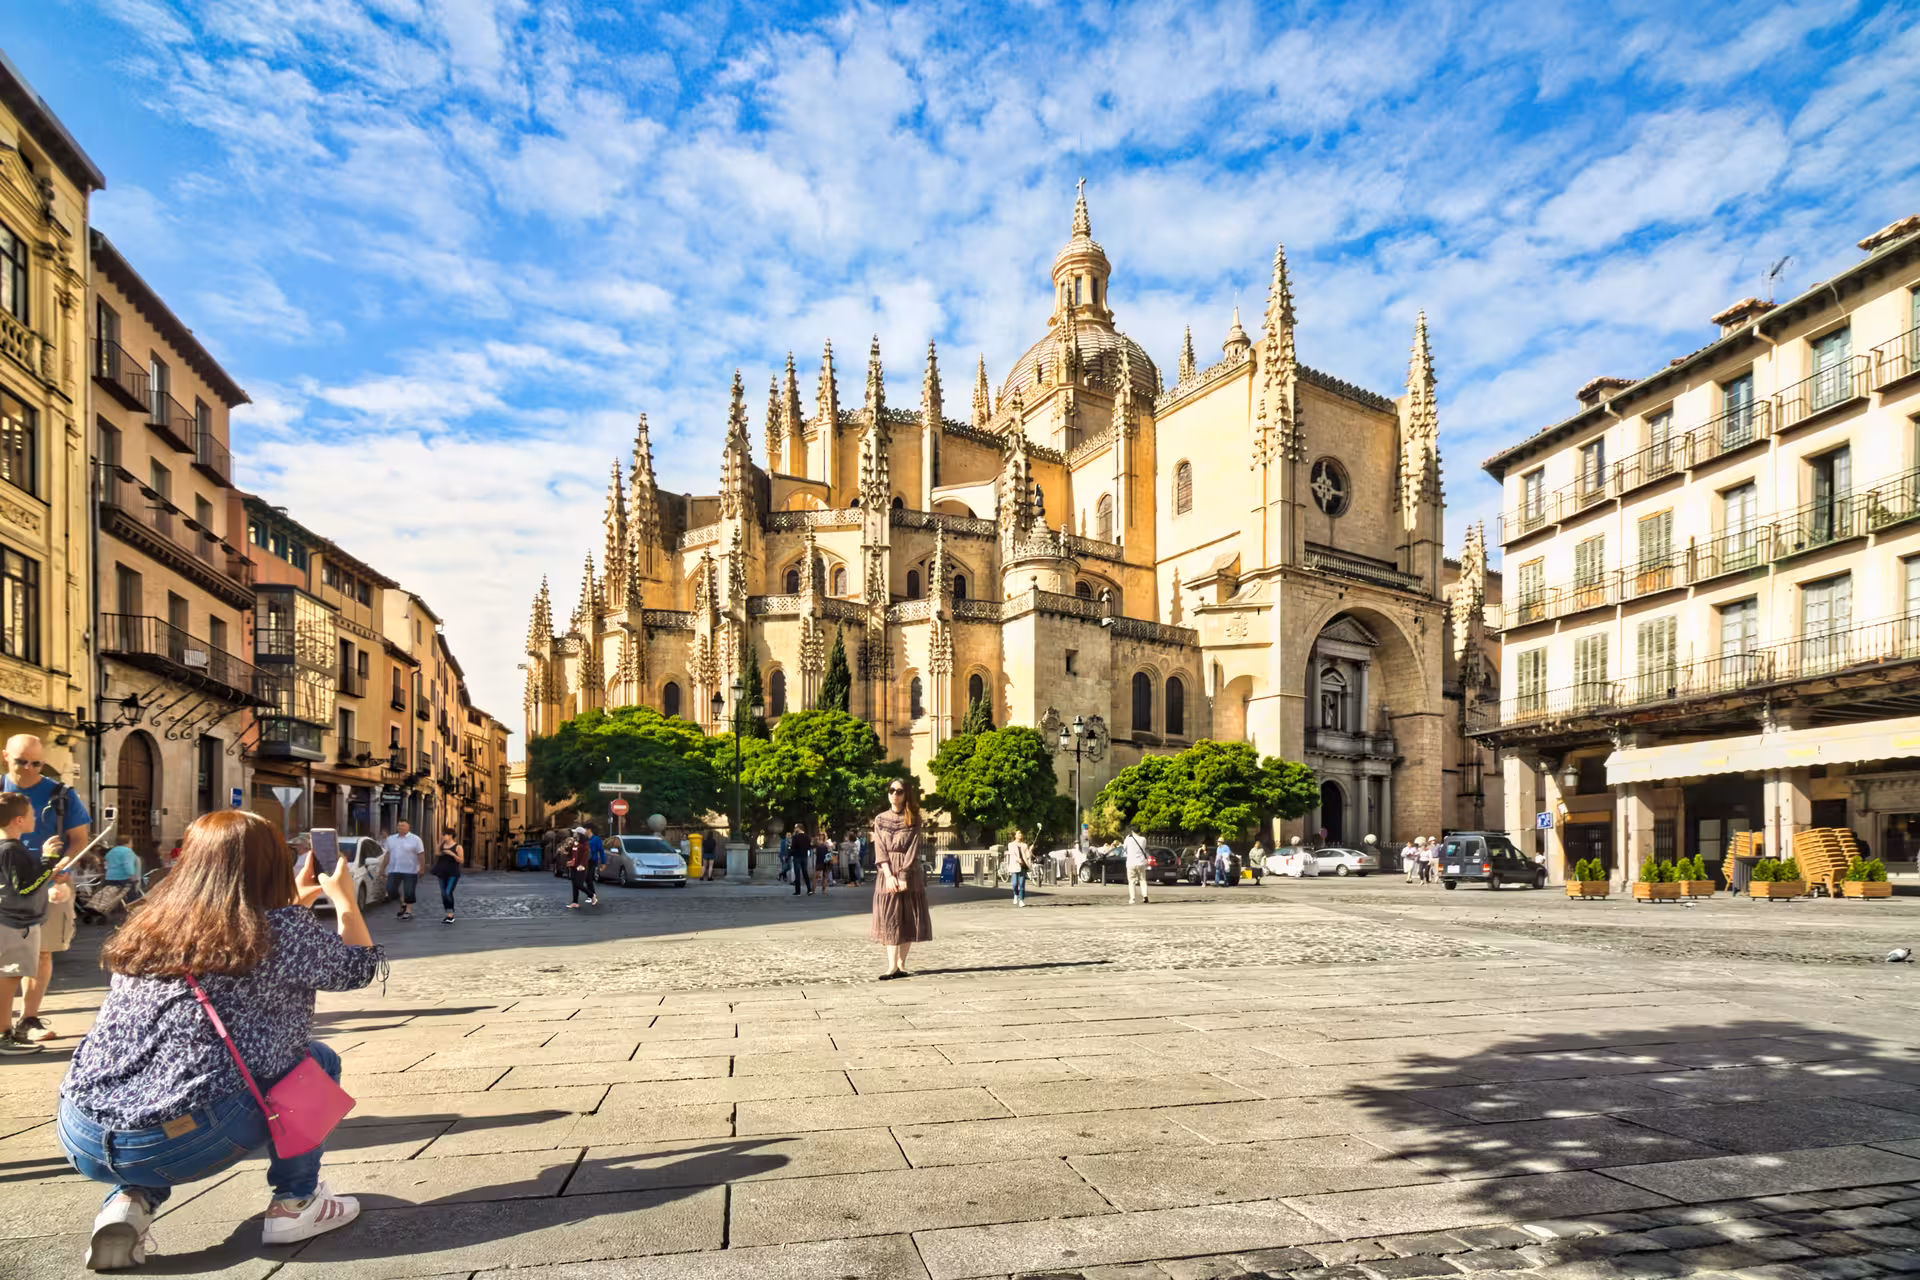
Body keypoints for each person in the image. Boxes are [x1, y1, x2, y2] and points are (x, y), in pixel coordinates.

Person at [58, 810, 383, 1269]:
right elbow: (358, 967)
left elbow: (239, 942)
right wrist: (345, 901)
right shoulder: (282, 929)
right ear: (272, 864)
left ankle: (129, 1202)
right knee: (317, 1061)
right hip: (187, 1141)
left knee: (162, 1089)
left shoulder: (151, 920)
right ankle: (296, 1203)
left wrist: (296, 905)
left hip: (83, 1131)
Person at [4, 734, 90, 1045]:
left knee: (40, 954)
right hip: (4, 885)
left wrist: (62, 867)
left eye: (36, 763)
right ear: (5, 756)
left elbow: (79, 839)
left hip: (50, 882)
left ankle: (29, 1019)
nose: (28, 768)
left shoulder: (61, 795)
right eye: (20, 761)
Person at [870, 779, 932, 979]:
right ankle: (891, 966)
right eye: (891, 790)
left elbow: (913, 850)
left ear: (906, 794)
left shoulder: (913, 819)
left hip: (909, 872)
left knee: (908, 917)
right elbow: (879, 849)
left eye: (899, 791)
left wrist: (904, 875)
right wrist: (888, 875)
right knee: (890, 916)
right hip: (887, 872)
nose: (894, 794)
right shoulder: (880, 819)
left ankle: (901, 964)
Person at [88, 840, 143, 920]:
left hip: (112, 879)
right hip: (122, 879)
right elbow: (127, 866)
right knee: (131, 894)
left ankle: (98, 909)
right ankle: (134, 912)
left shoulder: (111, 854)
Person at [381, 821, 424, 921]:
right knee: (390, 889)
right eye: (399, 825)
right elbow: (387, 854)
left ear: (408, 826)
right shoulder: (390, 839)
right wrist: (382, 868)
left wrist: (422, 868)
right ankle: (402, 903)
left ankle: (408, 911)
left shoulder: (416, 839)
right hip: (394, 868)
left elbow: (421, 854)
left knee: (409, 891)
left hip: (410, 869)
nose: (401, 827)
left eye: (403, 825)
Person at [434, 833, 465, 924]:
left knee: (448, 892)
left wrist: (452, 854)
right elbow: (436, 853)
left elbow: (461, 860)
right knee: (443, 893)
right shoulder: (441, 845)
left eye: (445, 835)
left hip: (453, 873)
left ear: (451, 836)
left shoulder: (458, 847)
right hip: (441, 872)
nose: (443, 836)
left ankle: (450, 914)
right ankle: (448, 914)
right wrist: (440, 843)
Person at [564, 827, 596, 908]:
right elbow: (570, 853)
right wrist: (566, 849)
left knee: (578, 883)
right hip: (573, 866)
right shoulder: (574, 843)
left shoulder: (585, 844)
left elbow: (585, 856)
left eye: (575, 832)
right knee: (574, 884)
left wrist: (581, 865)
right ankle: (575, 902)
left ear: (579, 834)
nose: (574, 834)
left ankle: (591, 895)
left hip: (581, 867)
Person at [1123, 824, 1151, 904]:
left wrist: (1127, 837)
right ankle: (1145, 895)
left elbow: (1124, 848)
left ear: (1132, 831)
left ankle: (1132, 898)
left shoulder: (1128, 839)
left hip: (1131, 862)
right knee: (1142, 879)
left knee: (1131, 881)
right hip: (1141, 862)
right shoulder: (1143, 839)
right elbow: (1144, 848)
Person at [1005, 829, 1033, 906]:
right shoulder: (1011, 844)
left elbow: (1028, 856)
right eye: (1018, 833)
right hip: (1015, 865)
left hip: (1023, 866)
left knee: (1022, 884)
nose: (1020, 835)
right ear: (1015, 836)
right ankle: (1015, 894)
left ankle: (1021, 900)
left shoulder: (1024, 845)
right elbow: (1012, 854)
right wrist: (1018, 860)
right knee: (1014, 884)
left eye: (1021, 833)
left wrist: (1030, 850)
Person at [786, 824, 812, 896]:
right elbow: (809, 846)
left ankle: (798, 891)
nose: (794, 829)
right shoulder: (807, 836)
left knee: (797, 873)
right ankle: (809, 889)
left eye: (795, 828)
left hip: (797, 856)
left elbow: (793, 847)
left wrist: (789, 853)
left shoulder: (795, 837)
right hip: (804, 856)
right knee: (805, 872)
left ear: (799, 828)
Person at [813, 828, 834, 894]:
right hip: (819, 860)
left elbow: (832, 849)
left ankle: (824, 890)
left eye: (823, 835)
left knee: (825, 876)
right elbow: (814, 850)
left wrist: (829, 846)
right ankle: (813, 890)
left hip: (826, 860)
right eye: (820, 835)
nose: (821, 836)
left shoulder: (827, 842)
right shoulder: (817, 842)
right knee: (816, 875)